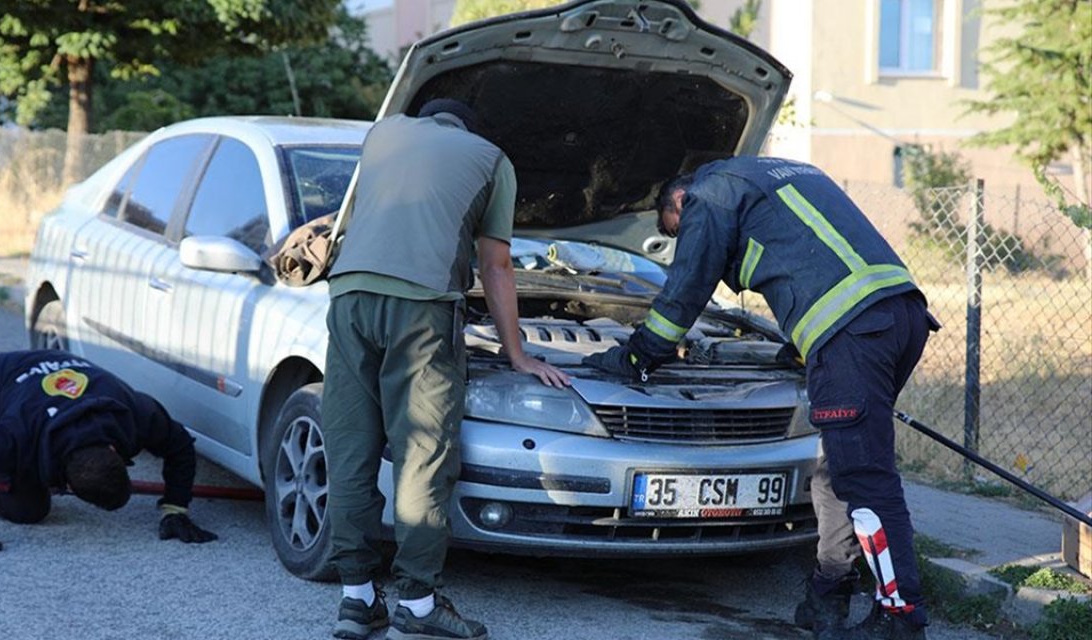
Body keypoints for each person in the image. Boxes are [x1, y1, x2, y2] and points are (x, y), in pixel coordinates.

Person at [583, 157, 939, 640]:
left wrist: (638, 356)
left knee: (866, 480)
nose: (681, 235)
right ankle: (828, 591)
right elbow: (814, 252)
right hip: (900, 316)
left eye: (675, 229)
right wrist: (801, 345)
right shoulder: (772, 175)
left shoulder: (708, 196)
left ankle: (901, 617)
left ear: (680, 202)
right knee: (836, 470)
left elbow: (686, 289)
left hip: (851, 337)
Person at [322, 98, 570, 640]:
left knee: (350, 446)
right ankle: (416, 601)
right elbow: (496, 264)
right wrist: (517, 353)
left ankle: (357, 600)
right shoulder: (490, 158)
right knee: (421, 455)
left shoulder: (382, 134)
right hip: (421, 307)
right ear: (469, 129)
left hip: (349, 297)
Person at [0, 349, 217, 553]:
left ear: (116, 450)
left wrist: (175, 508)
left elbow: (180, 446)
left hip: (57, 370)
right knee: (26, 509)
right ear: (67, 483)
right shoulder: (15, 438)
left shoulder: (136, 415)